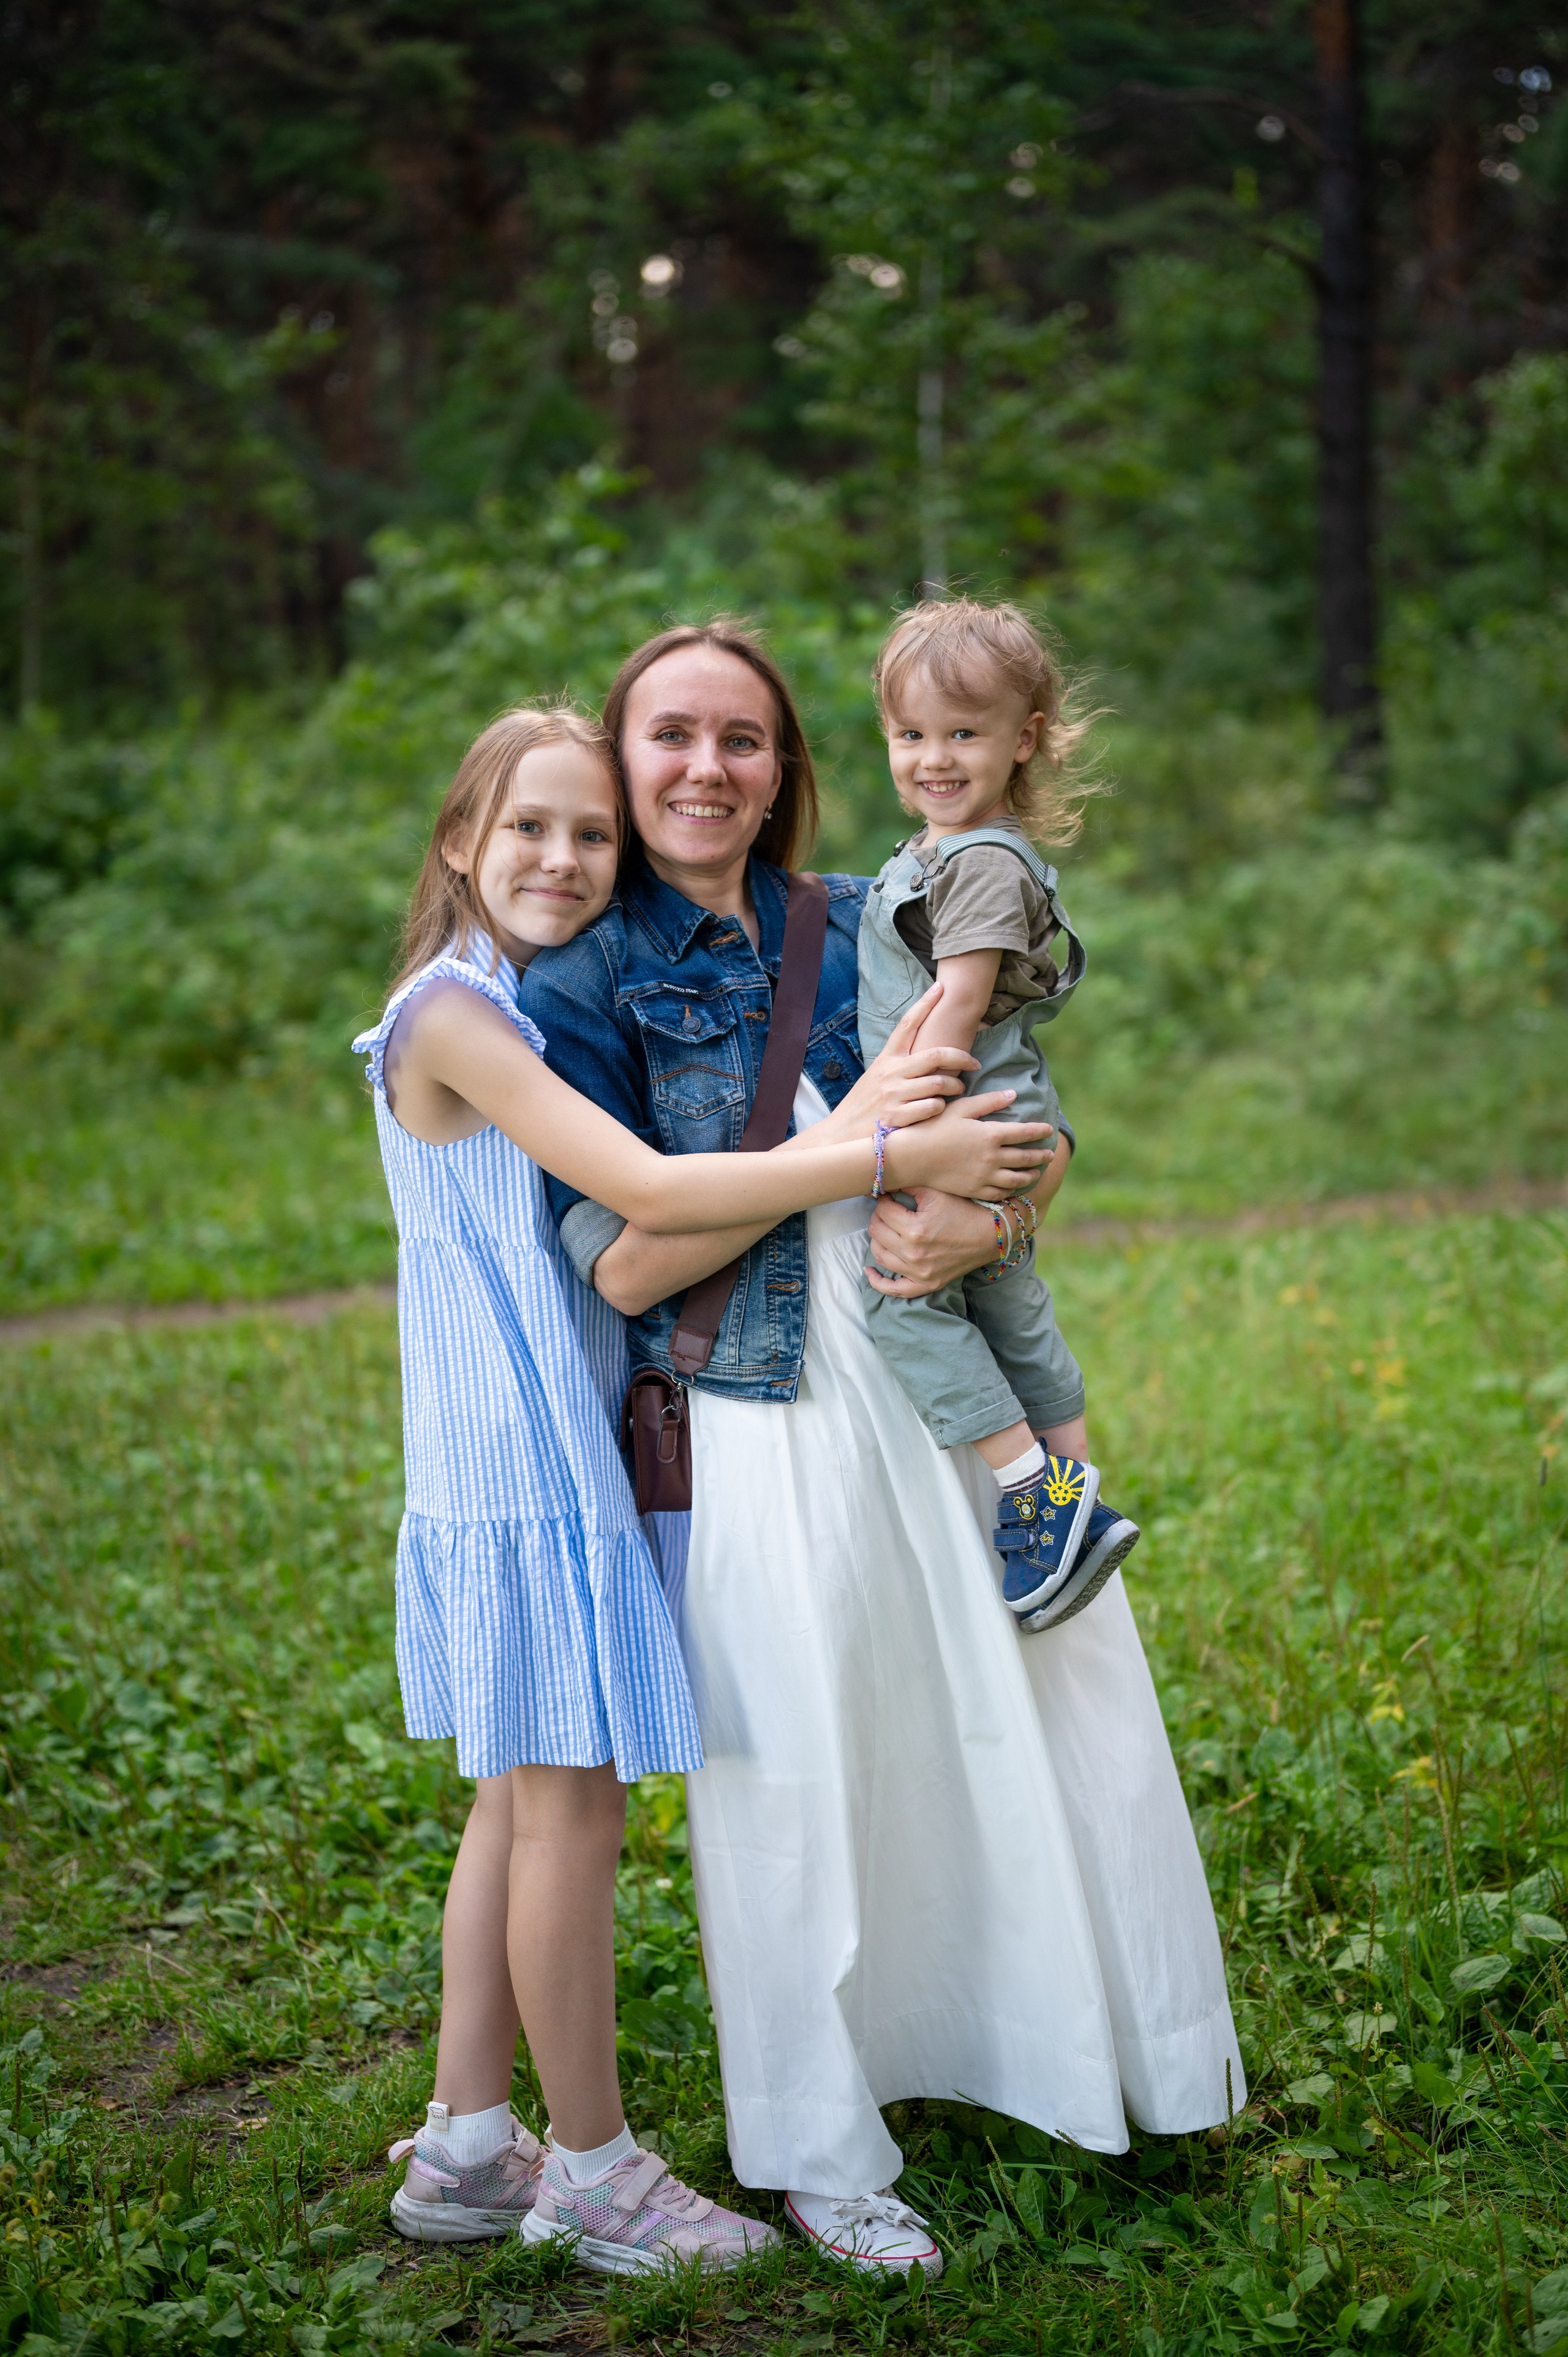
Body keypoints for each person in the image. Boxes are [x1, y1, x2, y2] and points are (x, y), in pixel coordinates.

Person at [520, 622, 1246, 2283]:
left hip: (929, 1377)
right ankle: (820, 2147)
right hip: (756, 1400)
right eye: (670, 736)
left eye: (744, 738)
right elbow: (623, 1268)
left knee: (1011, 1713)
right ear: (623, 762)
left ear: (784, 764)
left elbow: (1017, 1107)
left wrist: (1002, 1200)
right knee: (797, 1771)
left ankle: (1045, 2046)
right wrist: (858, 1153)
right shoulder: (580, 978)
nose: (707, 767)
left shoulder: (869, 908)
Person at [352, 703, 1048, 2276]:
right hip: (525, 1471)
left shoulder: (504, 999)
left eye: (589, 833)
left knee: (513, 1801)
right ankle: (594, 2173)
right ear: (458, 842)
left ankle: (468, 2141)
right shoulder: (449, 1017)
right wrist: (876, 1153)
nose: (562, 858)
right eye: (526, 827)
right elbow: (651, 1196)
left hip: (526, 1458)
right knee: (569, 1815)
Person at [857, 597, 1140, 1631]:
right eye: (911, 734)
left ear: (1024, 739)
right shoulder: (948, 850)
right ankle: (1077, 1494)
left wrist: (906, 1132)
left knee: (903, 1301)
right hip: (1000, 1105)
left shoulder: (978, 861)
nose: (933, 759)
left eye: (963, 734)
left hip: (962, 1109)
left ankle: (1034, 1491)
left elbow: (960, 1001)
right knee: (1007, 1299)